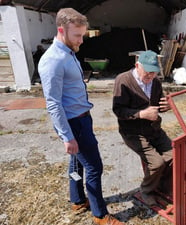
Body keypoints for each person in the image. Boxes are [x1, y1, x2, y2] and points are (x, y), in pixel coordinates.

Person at [38, 8, 123, 225]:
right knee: (95, 167)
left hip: (82, 117)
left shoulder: (68, 52)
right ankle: (100, 215)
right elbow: (53, 103)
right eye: (77, 35)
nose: (81, 40)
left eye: (82, 35)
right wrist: (67, 136)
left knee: (77, 161)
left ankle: (77, 200)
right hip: (74, 122)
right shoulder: (53, 61)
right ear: (61, 30)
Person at [112, 50, 173, 206]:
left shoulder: (156, 82)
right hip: (133, 133)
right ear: (137, 65)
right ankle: (146, 190)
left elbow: (159, 104)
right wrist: (141, 114)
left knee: (175, 154)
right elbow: (118, 111)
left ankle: (161, 184)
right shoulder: (123, 81)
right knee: (157, 163)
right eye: (147, 72)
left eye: (154, 73)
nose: (150, 76)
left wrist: (166, 106)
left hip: (153, 129)